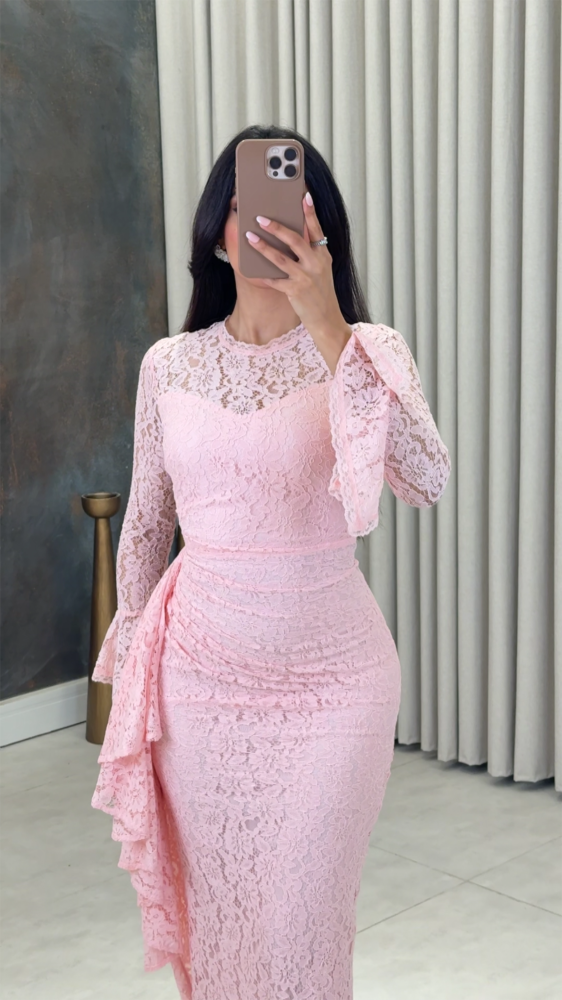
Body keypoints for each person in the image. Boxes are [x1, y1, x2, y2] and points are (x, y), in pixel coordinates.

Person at [91, 123, 451, 1000]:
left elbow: (427, 478)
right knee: (223, 917)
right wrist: (132, 663)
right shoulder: (168, 365)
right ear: (218, 228)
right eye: (247, 204)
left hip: (335, 683)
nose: (268, 223)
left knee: (301, 923)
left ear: (323, 229)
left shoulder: (369, 349)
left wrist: (329, 322)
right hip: (198, 685)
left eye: (293, 205)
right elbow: (147, 522)